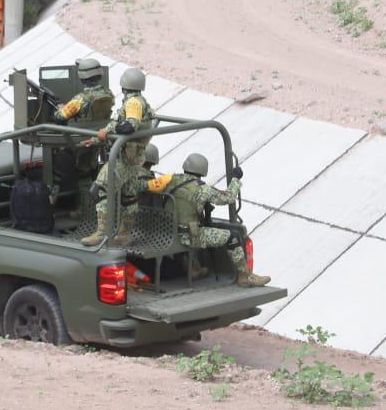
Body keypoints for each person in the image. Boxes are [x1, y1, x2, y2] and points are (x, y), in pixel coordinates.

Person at [146, 153, 271, 287]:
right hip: (188, 237)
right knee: (232, 237)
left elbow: (151, 187)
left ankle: (193, 269)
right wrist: (235, 179)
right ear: (203, 170)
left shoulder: (170, 180)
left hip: (167, 233)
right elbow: (228, 198)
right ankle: (244, 276)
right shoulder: (203, 190)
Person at [82, 67, 154, 247]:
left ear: (124, 85)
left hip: (124, 157)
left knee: (99, 190)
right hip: (133, 157)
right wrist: (97, 137)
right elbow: (117, 123)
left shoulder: (133, 104)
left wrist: (108, 134)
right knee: (129, 196)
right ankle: (124, 234)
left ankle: (101, 233)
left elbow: (129, 126)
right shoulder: (138, 101)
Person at [55, 57, 110, 124]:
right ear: (100, 76)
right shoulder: (108, 93)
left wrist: (61, 109)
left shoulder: (79, 100)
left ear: (82, 80)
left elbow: (59, 117)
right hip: (100, 128)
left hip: (81, 131)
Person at [9, 157, 55, 234]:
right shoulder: (44, 187)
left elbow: (13, 207)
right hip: (45, 229)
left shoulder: (19, 186)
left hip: (22, 228)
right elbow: (51, 206)